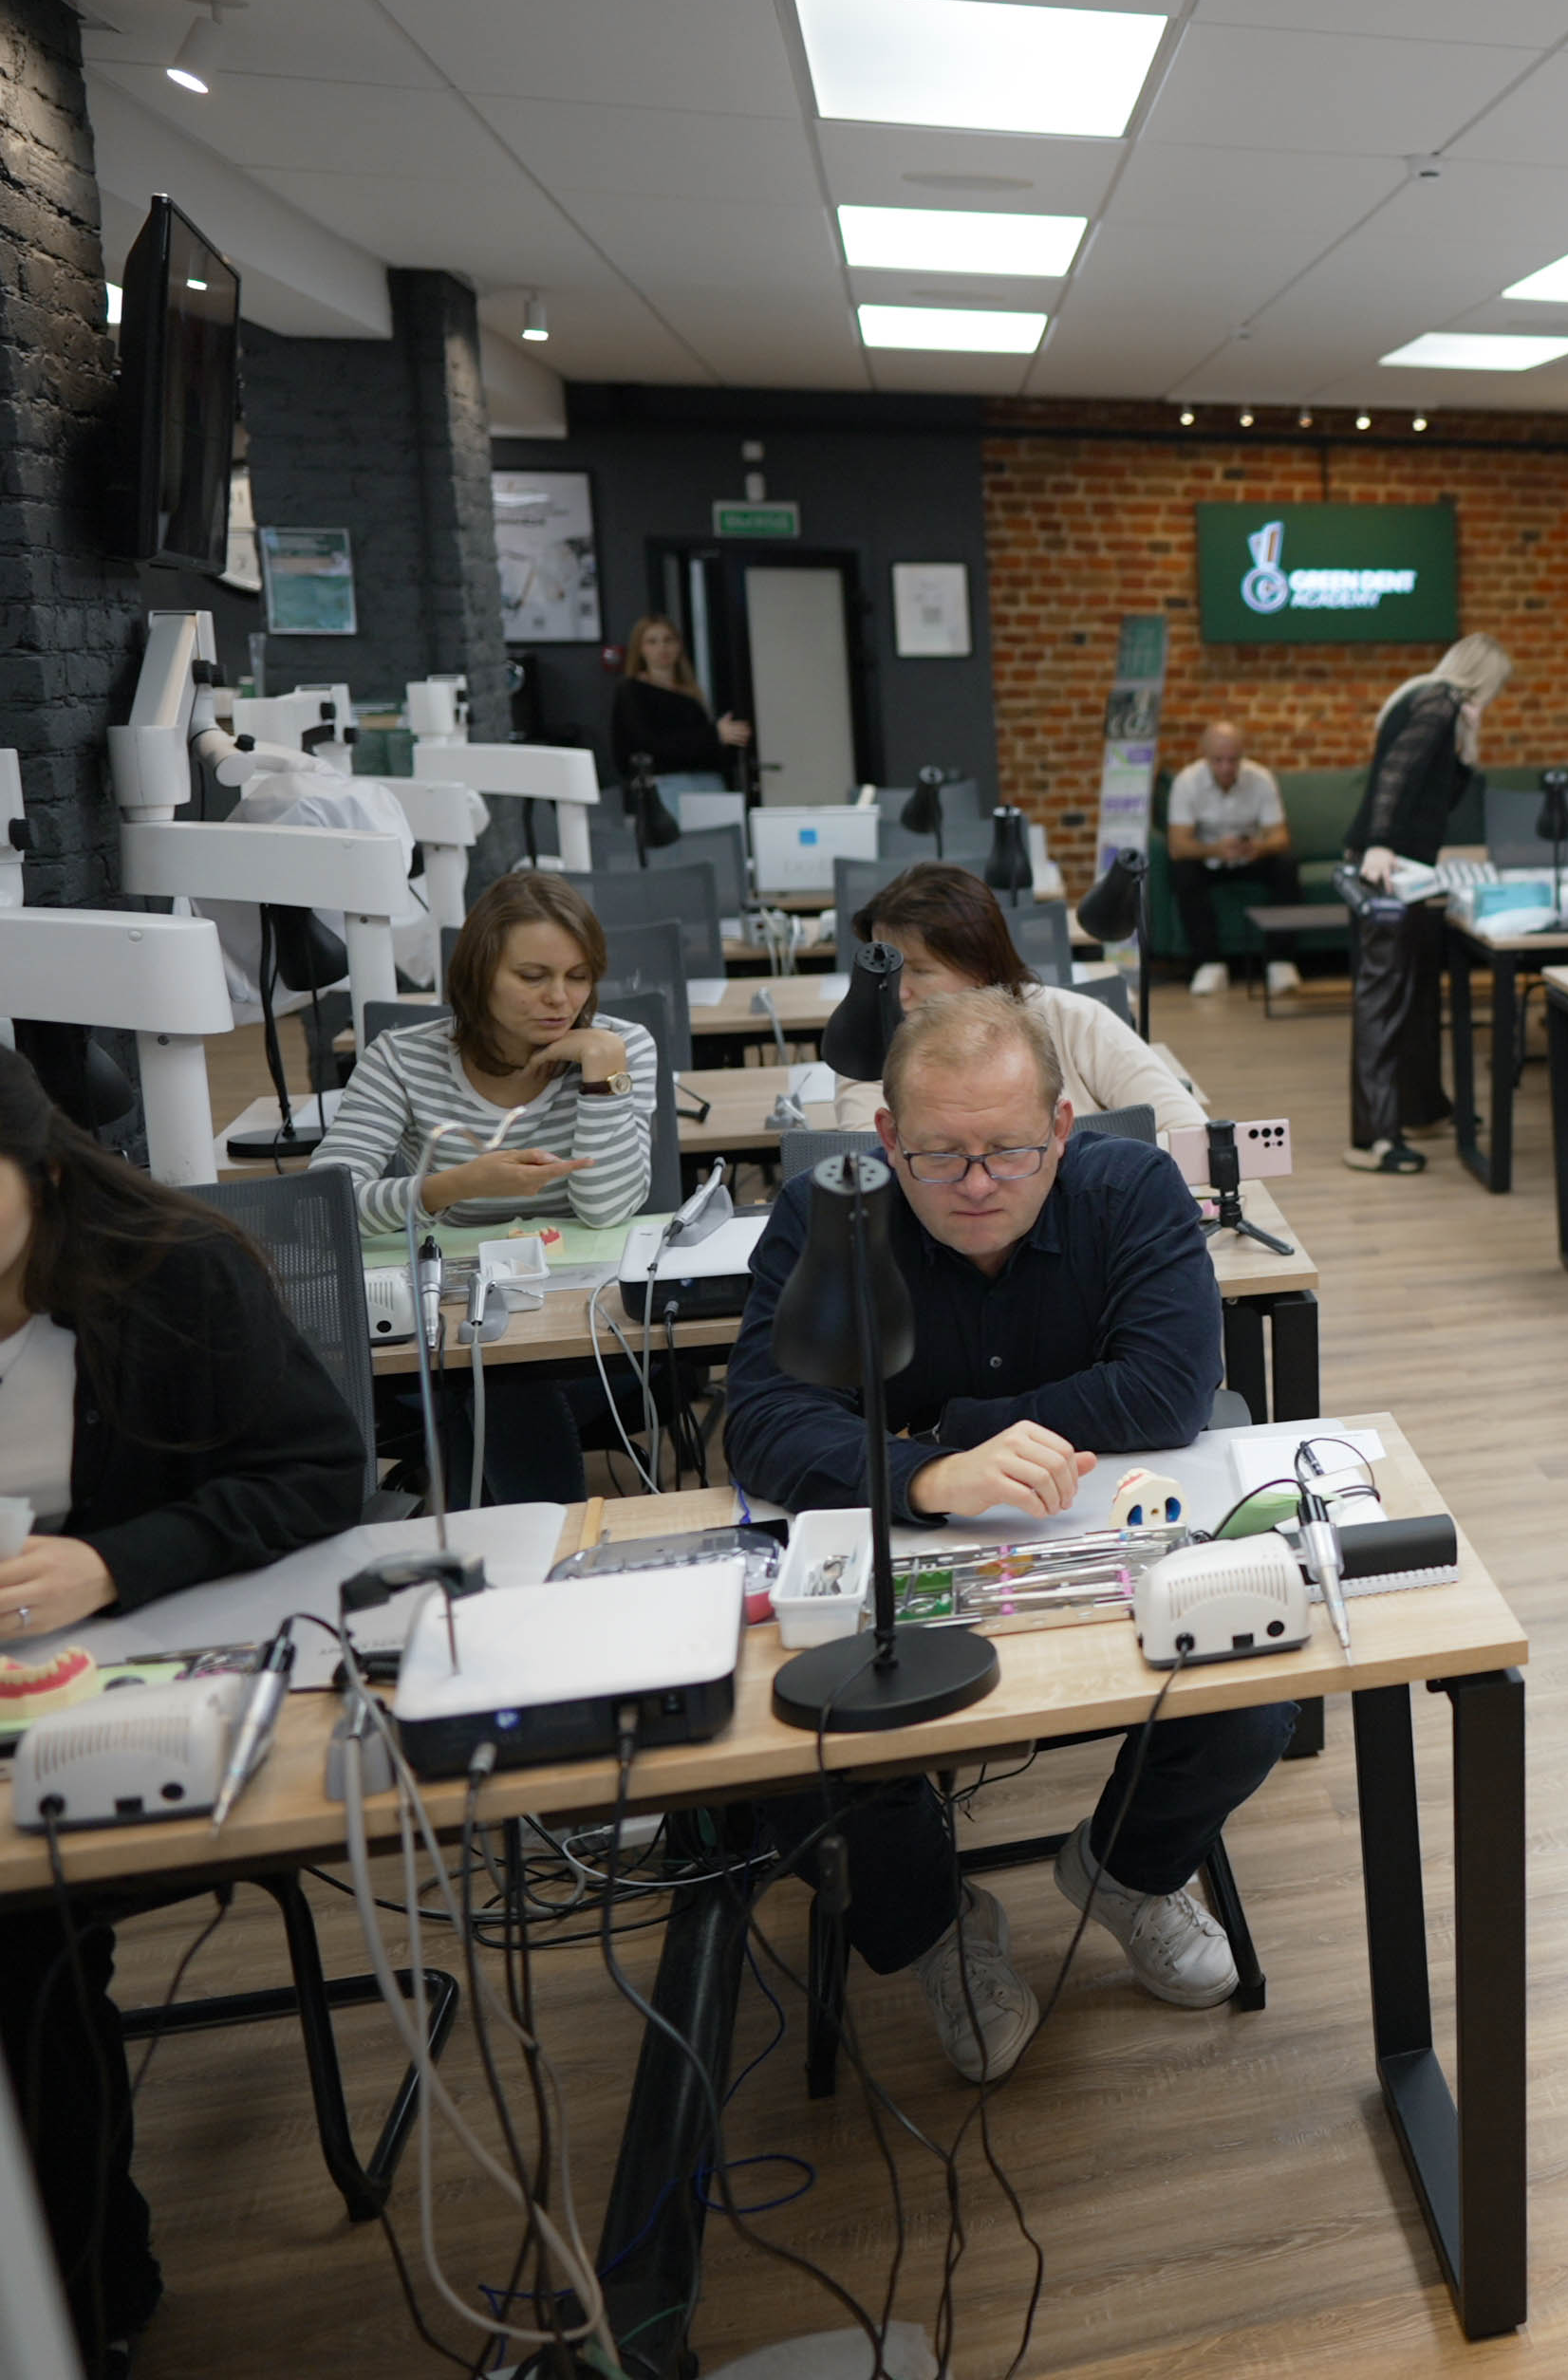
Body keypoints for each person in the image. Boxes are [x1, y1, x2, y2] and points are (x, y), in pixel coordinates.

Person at [726, 990, 1279, 2084]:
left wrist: (948, 1432)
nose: (978, 1184)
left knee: (1256, 1677)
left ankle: (1127, 1870)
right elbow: (763, 1419)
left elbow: (1171, 1389)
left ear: (1061, 1129)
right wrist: (930, 1477)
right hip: (901, 1549)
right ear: (887, 1137)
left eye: (1010, 1152)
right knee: (790, 1735)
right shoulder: (827, 1211)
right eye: (939, 1156)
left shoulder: (1131, 1189)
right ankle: (938, 1927)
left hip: (1096, 1526)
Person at [0, 1051, 370, 2371]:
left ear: (44, 1173)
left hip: (139, 1698)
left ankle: (83, 2295)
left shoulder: (175, 1276)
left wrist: (113, 1563)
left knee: (20, 1939)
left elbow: (318, 1473)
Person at [312, 870, 657, 1501]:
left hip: (583, 1328)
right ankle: (551, 1541)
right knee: (492, 1377)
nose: (560, 999)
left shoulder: (619, 1046)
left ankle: (507, 1538)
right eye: (532, 976)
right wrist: (451, 1186)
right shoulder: (401, 1058)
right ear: (478, 975)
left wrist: (604, 1071)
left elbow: (605, 1208)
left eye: (578, 976)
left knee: (493, 1389)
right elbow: (324, 1202)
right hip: (451, 1323)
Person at [827, 862, 1204, 1137]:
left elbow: (1188, 1131)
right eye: (888, 970)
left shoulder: (1074, 1020)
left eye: (920, 971)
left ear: (981, 967)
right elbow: (873, 1170)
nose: (898, 991)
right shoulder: (871, 1046)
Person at [1341, 633, 1513, 1174]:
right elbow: (1397, 773)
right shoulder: (1438, 700)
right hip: (1387, 868)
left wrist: (1466, 747)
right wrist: (1380, 843)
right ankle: (1371, 1139)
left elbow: (1438, 792)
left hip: (1407, 869)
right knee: (1384, 1000)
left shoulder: (1434, 703)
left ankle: (1420, 1108)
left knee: (1414, 994)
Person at [1166, 719, 1302, 1002]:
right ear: (1205, 756)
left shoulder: (1261, 779)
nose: (1227, 768)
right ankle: (1209, 964)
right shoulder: (1187, 783)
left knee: (1286, 864)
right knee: (1183, 871)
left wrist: (1258, 847)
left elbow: (1280, 837)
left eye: (1233, 760)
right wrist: (1215, 850)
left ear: (1243, 755)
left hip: (1251, 856)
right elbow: (1178, 845)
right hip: (1209, 859)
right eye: (1218, 760)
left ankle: (1281, 962)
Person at [606, 614, 749, 796]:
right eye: (652, 641)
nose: (662, 647)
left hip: (708, 779)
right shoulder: (632, 690)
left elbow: (700, 747)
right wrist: (714, 734)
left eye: (668, 640)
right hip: (667, 782)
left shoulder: (690, 693)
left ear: (678, 645)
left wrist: (726, 738)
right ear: (640, 649)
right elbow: (649, 742)